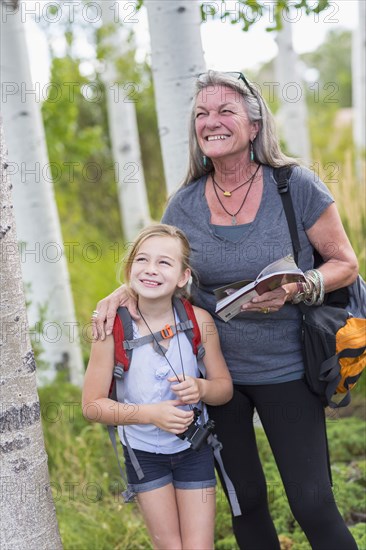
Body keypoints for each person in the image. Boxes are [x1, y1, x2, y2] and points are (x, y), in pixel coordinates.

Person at [92, 71, 359, 549]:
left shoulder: (294, 185)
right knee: (247, 502)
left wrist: (301, 286)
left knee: (312, 503)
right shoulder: (185, 205)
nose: (210, 122)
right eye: (201, 114)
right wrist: (120, 294)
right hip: (213, 380)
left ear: (254, 125)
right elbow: (159, 270)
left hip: (288, 369)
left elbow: (345, 264)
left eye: (225, 111)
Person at [83, 223, 233, 550]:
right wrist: (151, 414)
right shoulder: (112, 327)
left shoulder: (199, 321)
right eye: (142, 260)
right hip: (143, 455)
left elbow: (224, 387)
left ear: (183, 276)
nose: (151, 269)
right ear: (129, 268)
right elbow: (92, 406)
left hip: (193, 450)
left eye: (164, 262)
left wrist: (200, 389)